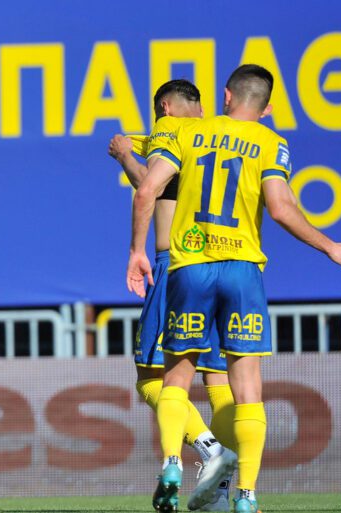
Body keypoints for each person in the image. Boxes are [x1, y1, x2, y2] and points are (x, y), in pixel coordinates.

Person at [127, 64, 341, 513]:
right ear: (267, 108)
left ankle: (172, 463)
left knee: (175, 378)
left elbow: (147, 190)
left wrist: (136, 251)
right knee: (245, 387)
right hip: (243, 270)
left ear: (226, 96)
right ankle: (245, 494)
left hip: (190, 266)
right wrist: (331, 247)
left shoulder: (190, 132)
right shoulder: (271, 143)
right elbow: (280, 208)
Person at [108, 80, 236, 512]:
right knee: (218, 380)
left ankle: (207, 450)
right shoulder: (220, 135)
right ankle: (229, 494)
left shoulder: (170, 130)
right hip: (226, 265)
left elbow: (152, 188)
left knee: (152, 379)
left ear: (165, 107)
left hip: (176, 265)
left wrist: (126, 156)